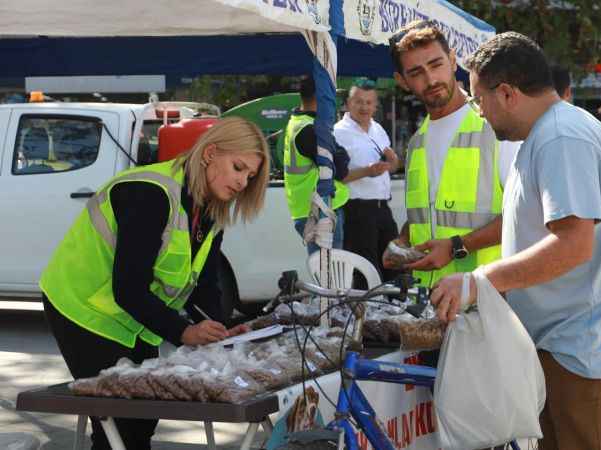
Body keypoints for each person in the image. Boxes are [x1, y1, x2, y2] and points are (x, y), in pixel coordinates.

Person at [432, 32, 601, 450]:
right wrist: (460, 246)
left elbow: (573, 244)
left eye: (479, 99)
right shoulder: (547, 135)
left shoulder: (560, 139)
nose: (479, 112)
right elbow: (530, 222)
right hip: (570, 354)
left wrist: (479, 281)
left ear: (508, 93)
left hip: (587, 360)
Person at [40, 117, 271, 449]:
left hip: (131, 314)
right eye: (238, 167)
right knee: (118, 419)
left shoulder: (210, 207)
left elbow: (203, 283)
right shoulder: (151, 192)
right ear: (209, 153)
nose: (242, 182)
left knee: (144, 416)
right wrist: (183, 332)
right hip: (82, 307)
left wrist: (218, 329)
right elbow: (129, 287)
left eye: (249, 177)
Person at [383, 20, 519, 290]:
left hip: (487, 297)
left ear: (453, 60)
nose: (431, 79)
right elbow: (432, 211)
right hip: (430, 300)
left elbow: (523, 215)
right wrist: (402, 241)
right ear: (402, 81)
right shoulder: (417, 142)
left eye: (436, 65)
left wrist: (457, 246)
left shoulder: (494, 127)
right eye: (417, 72)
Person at [334, 78, 400, 287]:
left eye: (369, 102)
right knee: (366, 270)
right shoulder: (338, 132)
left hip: (382, 208)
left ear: (375, 105)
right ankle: (367, 316)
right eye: (359, 101)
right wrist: (367, 172)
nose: (364, 107)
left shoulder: (377, 128)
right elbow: (338, 176)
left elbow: (394, 162)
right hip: (358, 209)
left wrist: (391, 162)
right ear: (348, 103)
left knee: (395, 264)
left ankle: (396, 314)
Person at [283, 75, 350, 254]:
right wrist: (339, 149)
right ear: (321, 96)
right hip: (320, 211)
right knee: (331, 275)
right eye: (331, 96)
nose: (333, 101)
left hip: (309, 209)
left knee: (325, 272)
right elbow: (342, 168)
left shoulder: (297, 122)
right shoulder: (310, 130)